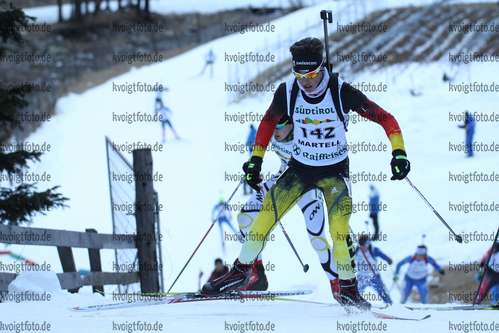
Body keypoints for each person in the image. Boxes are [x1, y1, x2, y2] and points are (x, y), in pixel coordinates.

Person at [202, 37, 410, 314]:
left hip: (334, 172)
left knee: (338, 231)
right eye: (299, 75)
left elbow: (386, 118)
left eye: (311, 74)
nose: (305, 81)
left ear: (321, 68)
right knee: (262, 220)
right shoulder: (288, 91)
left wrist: (399, 153)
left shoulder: (340, 90)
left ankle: (348, 289)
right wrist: (255, 160)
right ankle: (242, 272)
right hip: (299, 169)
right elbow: (267, 123)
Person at [235, 115, 340, 296]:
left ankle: (339, 285)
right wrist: (252, 166)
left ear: (292, 124)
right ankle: (257, 274)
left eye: (280, 126)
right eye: (273, 126)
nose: (275, 131)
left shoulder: (305, 134)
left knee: (317, 238)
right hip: (283, 181)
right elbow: (258, 153)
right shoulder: (273, 133)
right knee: (245, 217)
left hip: (308, 187)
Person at [355, 234, 393, 303]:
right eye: (361, 247)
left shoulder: (373, 250)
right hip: (361, 277)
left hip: (374, 277)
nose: (363, 249)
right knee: (355, 293)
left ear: (368, 245)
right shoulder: (355, 249)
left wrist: (387, 259)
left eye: (365, 246)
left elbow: (381, 255)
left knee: (383, 293)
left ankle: (391, 305)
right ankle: (351, 305)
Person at [475, 240, 499, 305]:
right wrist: (480, 272)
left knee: (495, 292)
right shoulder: (496, 245)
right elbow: (486, 257)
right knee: (483, 289)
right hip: (490, 271)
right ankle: (476, 303)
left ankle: (495, 303)